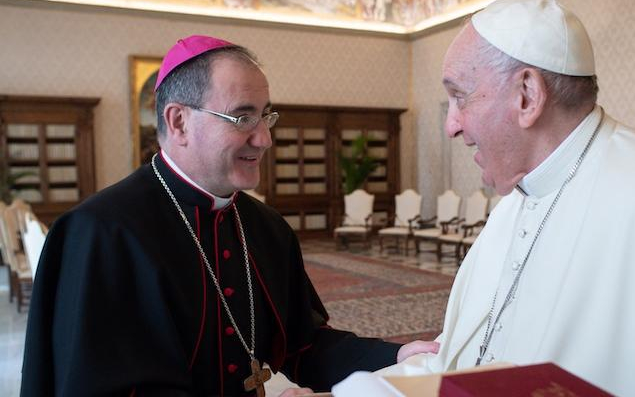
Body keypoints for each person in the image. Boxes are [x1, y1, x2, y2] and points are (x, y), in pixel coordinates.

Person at [377, 0, 635, 395]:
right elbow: (460, 364)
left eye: (459, 97)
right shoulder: (514, 208)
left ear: (527, 95)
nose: (450, 125)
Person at [21, 35, 437, 396]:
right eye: (242, 117)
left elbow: (303, 344)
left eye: (266, 115)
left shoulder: (267, 228)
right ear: (179, 121)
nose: (265, 138)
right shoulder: (100, 234)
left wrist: (395, 354)